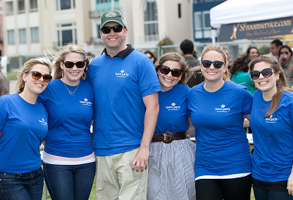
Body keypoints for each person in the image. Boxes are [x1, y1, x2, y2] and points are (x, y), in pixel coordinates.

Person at [85, 10, 161, 199]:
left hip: (132, 149)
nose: (112, 32)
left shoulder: (141, 62)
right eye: (106, 29)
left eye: (116, 28)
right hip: (102, 149)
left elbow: (153, 107)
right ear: (101, 34)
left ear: (125, 31)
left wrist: (144, 147)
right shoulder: (94, 66)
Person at [188, 45, 253, 200]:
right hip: (205, 167)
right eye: (207, 63)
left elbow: (258, 124)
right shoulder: (192, 94)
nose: (212, 67)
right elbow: (188, 126)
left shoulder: (239, 92)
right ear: (201, 66)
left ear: (224, 67)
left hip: (236, 166)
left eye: (217, 64)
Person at [38, 44, 95, 200]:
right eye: (69, 64)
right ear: (62, 65)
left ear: (85, 66)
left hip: (86, 161)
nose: (74, 68)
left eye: (79, 64)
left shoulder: (90, 88)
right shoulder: (48, 88)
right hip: (56, 162)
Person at [0, 57, 52, 200]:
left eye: (46, 77)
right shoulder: (5, 103)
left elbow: (40, 140)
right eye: (36, 74)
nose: (41, 79)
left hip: (36, 175)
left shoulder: (43, 109)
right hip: (9, 177)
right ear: (24, 76)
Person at [147, 52, 196, 200]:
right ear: (157, 70)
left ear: (181, 75)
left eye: (175, 72)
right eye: (165, 70)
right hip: (152, 150)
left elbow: (193, 123)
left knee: (183, 193)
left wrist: (174, 135)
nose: (169, 75)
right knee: (155, 195)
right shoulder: (147, 92)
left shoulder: (187, 93)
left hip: (180, 150)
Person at [249, 55, 293, 200]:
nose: (261, 77)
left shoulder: (289, 101)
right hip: (259, 175)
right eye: (256, 74)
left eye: (266, 72)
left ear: (277, 75)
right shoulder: (255, 97)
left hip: (284, 176)